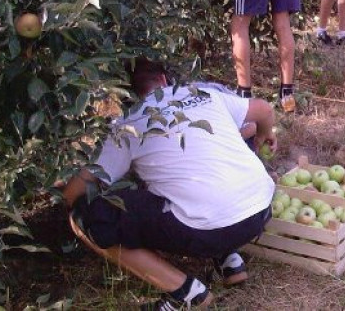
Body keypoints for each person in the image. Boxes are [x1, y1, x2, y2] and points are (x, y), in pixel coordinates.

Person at [62, 58, 277, 310]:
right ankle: (230, 259)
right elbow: (265, 110)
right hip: (260, 210)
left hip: (208, 228)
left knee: (85, 216)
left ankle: (186, 292)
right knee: (191, 179)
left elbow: (77, 191)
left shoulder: (128, 124)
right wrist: (263, 136)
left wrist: (67, 198)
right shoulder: (203, 94)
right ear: (164, 79)